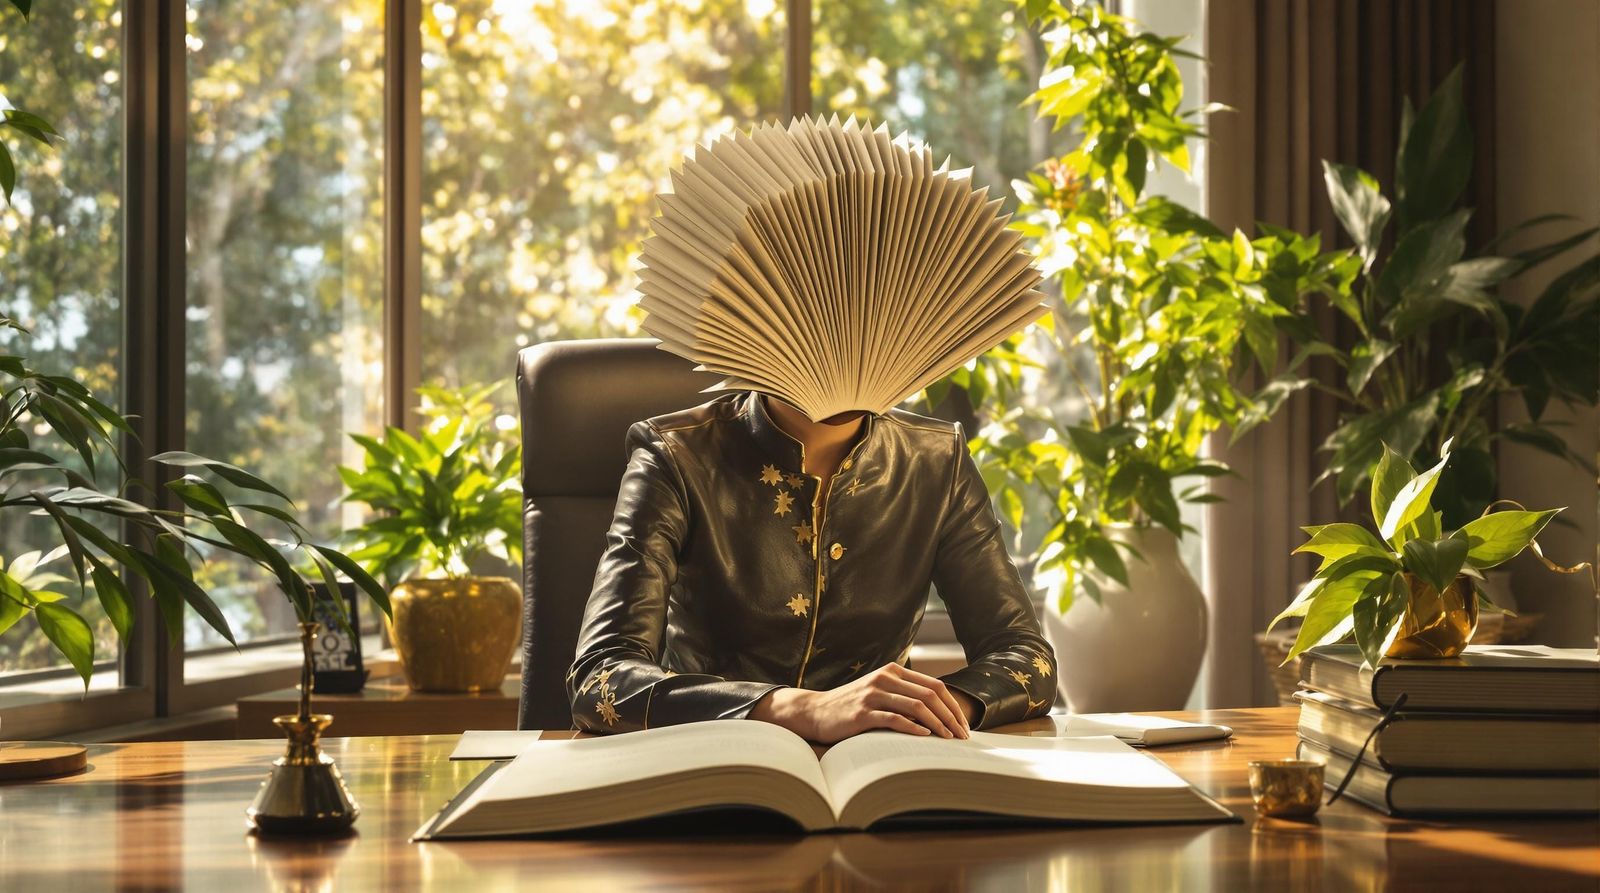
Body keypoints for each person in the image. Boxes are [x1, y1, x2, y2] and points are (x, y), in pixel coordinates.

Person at [567, 389, 1056, 743]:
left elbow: (1024, 656)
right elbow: (600, 678)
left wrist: (924, 710)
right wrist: (802, 709)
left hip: (885, 771)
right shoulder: (676, 455)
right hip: (710, 763)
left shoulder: (936, 459)